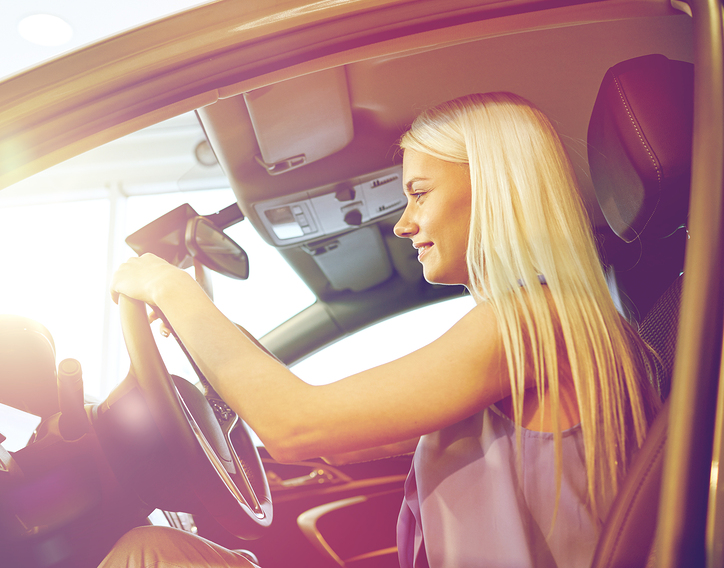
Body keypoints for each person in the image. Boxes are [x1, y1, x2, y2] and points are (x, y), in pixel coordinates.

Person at [104, 92, 660, 567]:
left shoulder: (530, 320)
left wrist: (170, 288)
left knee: (148, 553)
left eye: (419, 193)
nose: (403, 223)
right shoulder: (551, 320)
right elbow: (342, 441)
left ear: (494, 187)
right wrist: (218, 349)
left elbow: (296, 427)